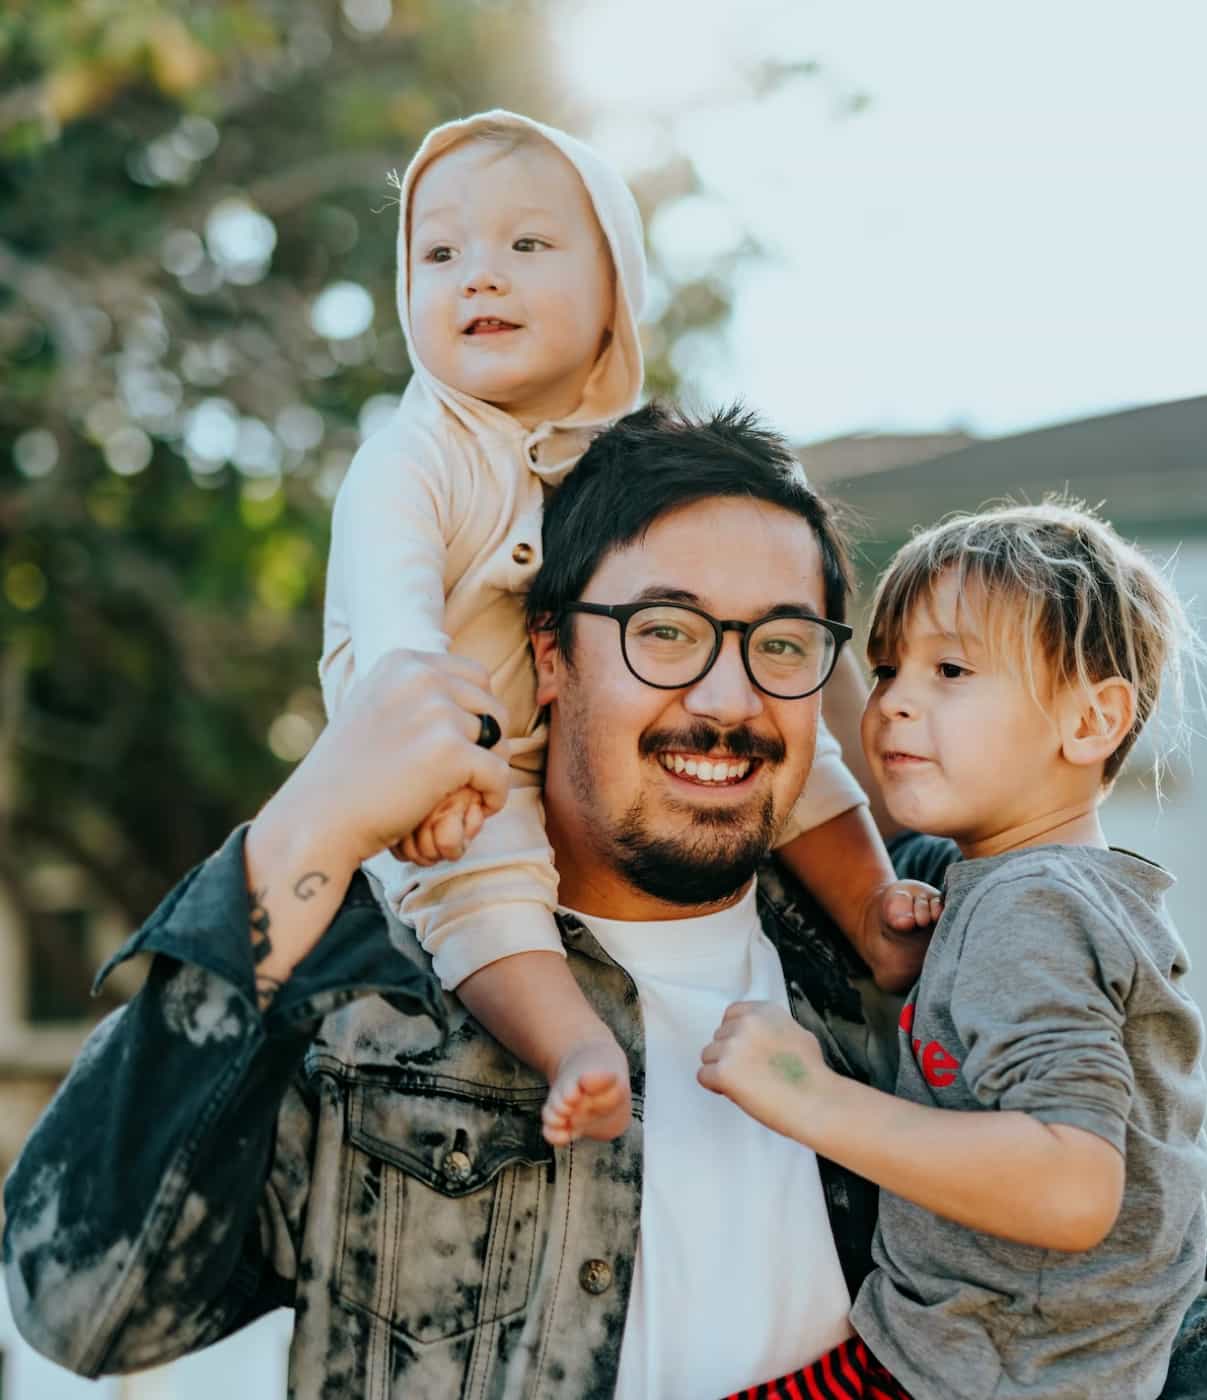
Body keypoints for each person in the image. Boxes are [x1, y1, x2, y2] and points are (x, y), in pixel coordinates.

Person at [2, 408, 1207, 1398]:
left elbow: (1179, 1276)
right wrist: (309, 822)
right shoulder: (370, 979)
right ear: (550, 654)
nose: (726, 697)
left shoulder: (910, 936)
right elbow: (83, 1297)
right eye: (665, 629)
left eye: (781, 642)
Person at [320, 111, 930, 1148]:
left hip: (548, 744)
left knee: (796, 743)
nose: (480, 276)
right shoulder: (414, 456)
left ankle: (875, 911)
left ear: (616, 295)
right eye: (440, 252)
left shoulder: (631, 463)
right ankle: (573, 1044)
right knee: (483, 889)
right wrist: (430, 771)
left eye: (526, 245)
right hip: (450, 764)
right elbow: (396, 635)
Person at [702, 500, 1207, 1399]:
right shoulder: (1049, 891)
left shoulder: (1029, 907)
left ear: (1092, 721)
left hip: (974, 1371)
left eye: (950, 668)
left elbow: (1072, 1186)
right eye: (885, 667)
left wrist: (804, 1095)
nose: (896, 700)